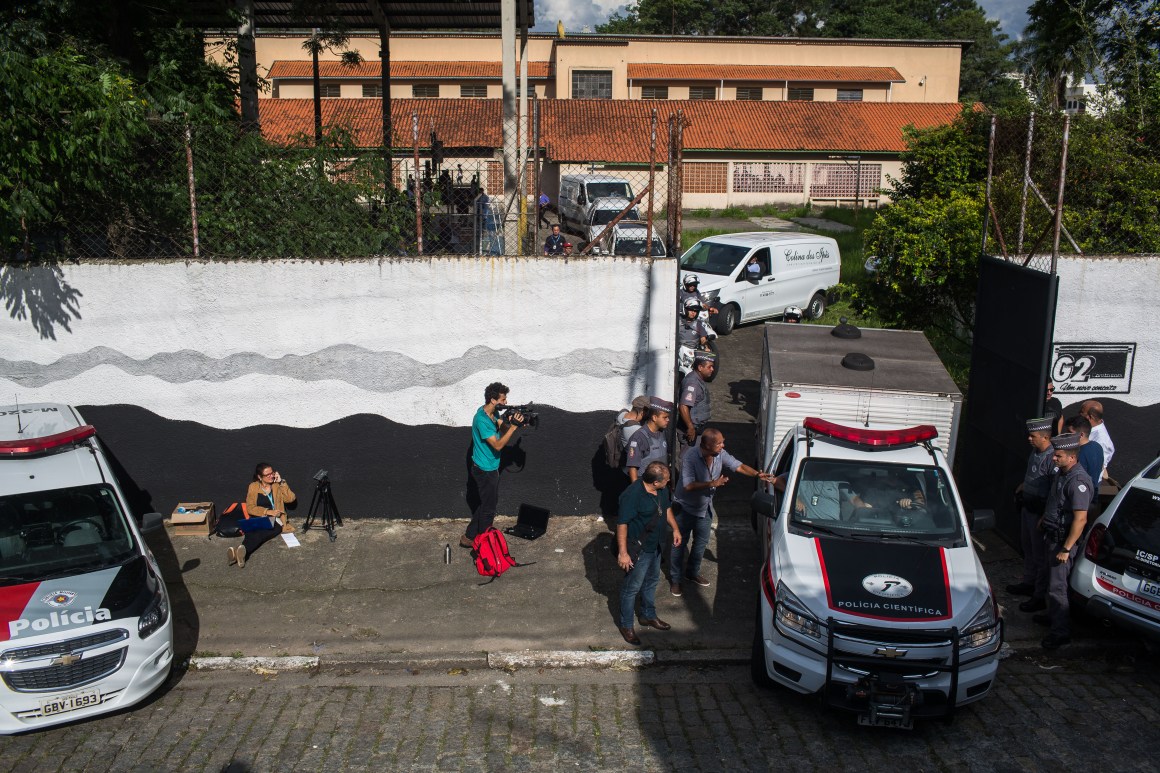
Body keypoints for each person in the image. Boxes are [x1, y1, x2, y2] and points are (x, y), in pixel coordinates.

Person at [669, 429, 772, 596]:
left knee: (701, 543)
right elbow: (688, 486)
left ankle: (692, 573)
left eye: (722, 442)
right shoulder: (690, 457)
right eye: (719, 443)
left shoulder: (720, 453)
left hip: (705, 508)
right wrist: (713, 483)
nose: (723, 445)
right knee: (679, 545)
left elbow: (737, 465)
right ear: (707, 445)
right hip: (685, 508)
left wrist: (757, 474)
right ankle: (675, 580)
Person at [1032, 433, 1093, 650]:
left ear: (1071, 457)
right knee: (1050, 580)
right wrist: (1044, 518)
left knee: (1058, 588)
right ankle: (1051, 615)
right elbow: (1055, 501)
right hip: (1051, 534)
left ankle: (1060, 632)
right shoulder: (1062, 474)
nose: (1053, 459)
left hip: (1063, 541)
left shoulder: (1078, 482)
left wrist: (1066, 548)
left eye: (1058, 456)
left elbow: (1080, 518)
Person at [617, 461, 682, 645]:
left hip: (657, 545)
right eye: (667, 480)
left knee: (652, 580)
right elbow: (622, 524)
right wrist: (623, 553)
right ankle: (626, 625)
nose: (669, 483)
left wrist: (675, 529)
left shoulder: (661, 490)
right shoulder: (632, 495)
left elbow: (666, 509)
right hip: (640, 549)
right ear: (655, 482)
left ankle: (648, 615)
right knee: (631, 588)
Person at [461, 382, 524, 548]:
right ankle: (484, 545)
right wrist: (513, 429)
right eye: (503, 399)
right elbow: (497, 445)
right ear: (493, 399)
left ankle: (469, 537)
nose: (505, 402)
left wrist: (510, 422)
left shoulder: (491, 412)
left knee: (485, 503)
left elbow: (501, 429)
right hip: (485, 470)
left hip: (490, 466)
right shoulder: (481, 419)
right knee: (489, 509)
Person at [1007, 418, 1056, 599]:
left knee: (1039, 554)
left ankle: (1039, 593)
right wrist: (1023, 486)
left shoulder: (1052, 458)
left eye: (1032, 435)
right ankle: (1028, 582)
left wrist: (1046, 515)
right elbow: (1033, 476)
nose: (1029, 438)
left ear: (1045, 437)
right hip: (1027, 507)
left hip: (1039, 512)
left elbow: (1053, 490)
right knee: (1027, 547)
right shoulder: (1035, 453)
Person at [232, 463, 297, 568]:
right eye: (268, 475)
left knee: (260, 534)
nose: (271, 476)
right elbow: (250, 508)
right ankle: (240, 553)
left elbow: (291, 499)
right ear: (259, 477)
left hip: (276, 520)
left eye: (272, 473)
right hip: (259, 517)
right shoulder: (253, 487)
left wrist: (281, 482)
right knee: (252, 533)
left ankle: (239, 551)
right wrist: (267, 511)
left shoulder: (277, 485)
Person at [623, 398, 673, 483]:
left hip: (661, 484)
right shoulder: (639, 437)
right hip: (646, 486)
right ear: (654, 417)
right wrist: (636, 490)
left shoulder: (662, 433)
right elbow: (632, 468)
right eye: (665, 417)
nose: (668, 420)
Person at [677, 351, 714, 460]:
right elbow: (683, 406)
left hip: (696, 429)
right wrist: (690, 427)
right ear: (700, 367)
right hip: (690, 431)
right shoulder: (692, 383)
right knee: (688, 458)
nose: (712, 369)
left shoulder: (698, 380)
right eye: (709, 367)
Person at [1066, 415, 1104, 518]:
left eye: (1070, 433)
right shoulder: (1098, 447)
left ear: (1081, 434)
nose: (1066, 436)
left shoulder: (1079, 455)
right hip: (1092, 500)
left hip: (1078, 504)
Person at [1079, 400, 1114, 479]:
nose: (1078, 415)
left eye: (1081, 412)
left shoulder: (1101, 440)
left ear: (1089, 417)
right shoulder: (1089, 429)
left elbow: (1096, 467)